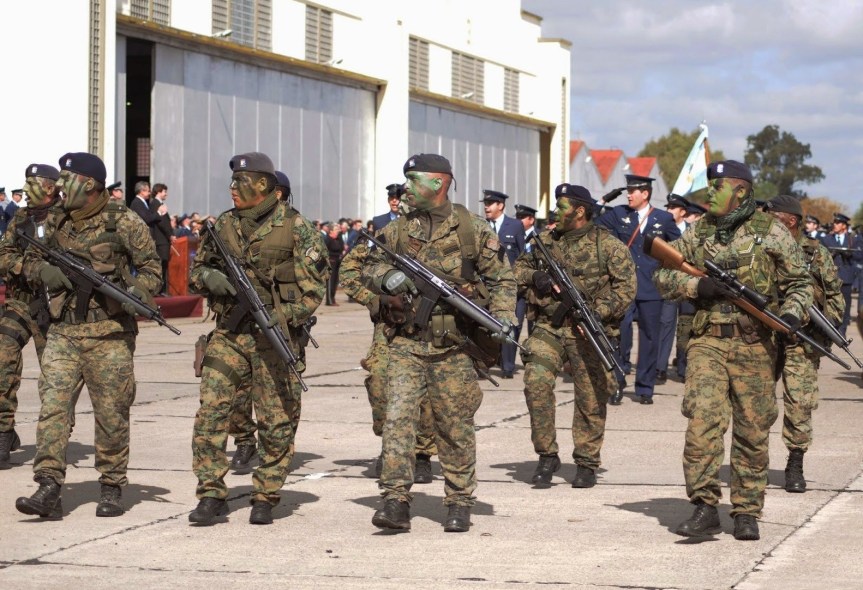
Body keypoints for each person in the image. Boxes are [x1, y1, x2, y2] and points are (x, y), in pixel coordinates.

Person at [654, 160, 812, 541]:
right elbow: (662, 273)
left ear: (740, 190)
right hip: (708, 341)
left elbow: (800, 283)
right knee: (702, 423)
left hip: (755, 344)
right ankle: (705, 505)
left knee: (752, 429)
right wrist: (697, 288)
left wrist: (791, 313)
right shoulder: (699, 231)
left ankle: (746, 510)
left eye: (718, 186)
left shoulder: (771, 231)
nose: (710, 193)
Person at [363, 153, 516, 532]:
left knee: (454, 424)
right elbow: (368, 266)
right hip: (406, 344)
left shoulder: (473, 229)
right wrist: (386, 280)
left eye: (414, 180)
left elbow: (502, 280)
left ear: (438, 182)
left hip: (453, 345)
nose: (407, 188)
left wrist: (505, 317)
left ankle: (459, 500)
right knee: (398, 420)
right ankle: (395, 499)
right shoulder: (397, 230)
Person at [14, 152, 162, 520]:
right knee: (53, 408)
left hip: (109, 334)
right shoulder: (51, 219)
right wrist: (42, 272)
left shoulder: (124, 221)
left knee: (111, 413)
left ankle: (111, 484)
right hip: (63, 330)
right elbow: (22, 254)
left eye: (68, 179)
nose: (60, 185)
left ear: (91, 186)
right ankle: (48, 485)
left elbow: (151, 271)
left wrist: (133, 295)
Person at [188, 152, 327, 526]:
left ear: (263, 185)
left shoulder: (297, 228)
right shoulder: (223, 225)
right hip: (230, 334)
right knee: (211, 412)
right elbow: (198, 271)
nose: (232, 188)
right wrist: (212, 280)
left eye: (240, 182)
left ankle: (266, 492)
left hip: (274, 336)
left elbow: (314, 290)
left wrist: (278, 317)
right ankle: (211, 493)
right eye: (232, 182)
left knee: (276, 420)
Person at [515, 183, 635, 488]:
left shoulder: (608, 246)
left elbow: (626, 288)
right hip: (550, 327)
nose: (556, 210)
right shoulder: (545, 241)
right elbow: (515, 272)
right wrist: (535, 277)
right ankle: (547, 454)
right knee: (536, 381)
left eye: (562, 205)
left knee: (591, 395)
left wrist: (600, 311)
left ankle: (586, 460)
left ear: (579, 211)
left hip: (588, 329)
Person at [0, 164, 84, 469]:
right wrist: (28, 268)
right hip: (22, 304)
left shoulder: (68, 219)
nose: (24, 189)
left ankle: (55, 437)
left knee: (56, 379)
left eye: (30, 184)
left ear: (50, 188)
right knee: (2, 356)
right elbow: (4, 255)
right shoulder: (20, 218)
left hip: (56, 310)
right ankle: (3, 432)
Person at [340, 237, 438, 483]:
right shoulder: (386, 234)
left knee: (426, 391)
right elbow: (349, 272)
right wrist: (377, 300)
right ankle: (390, 446)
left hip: (430, 326)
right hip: (390, 327)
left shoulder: (442, 230)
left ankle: (422, 453)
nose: (398, 201)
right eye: (394, 197)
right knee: (379, 382)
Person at [765, 195, 843, 493]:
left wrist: (823, 324)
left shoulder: (815, 253)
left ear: (791, 221)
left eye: (773, 217)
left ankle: (795, 463)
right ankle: (752, 463)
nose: (767, 221)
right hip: (766, 335)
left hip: (803, 340)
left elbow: (835, 296)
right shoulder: (762, 248)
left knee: (799, 403)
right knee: (756, 402)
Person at [226, 168, 297, 473]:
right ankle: (244, 441)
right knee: (236, 392)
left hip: (280, 324)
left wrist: (289, 315)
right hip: (238, 325)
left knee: (281, 396)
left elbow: (311, 281)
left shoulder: (294, 226)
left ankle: (279, 446)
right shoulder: (230, 223)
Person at [597, 174, 681, 405]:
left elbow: (679, 248)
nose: (628, 194)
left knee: (650, 338)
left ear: (645, 193)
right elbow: (592, 222)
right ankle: (616, 382)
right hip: (622, 288)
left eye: (633, 191)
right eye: (627, 190)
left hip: (651, 287)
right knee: (619, 335)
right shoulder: (619, 214)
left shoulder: (663, 219)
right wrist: (604, 201)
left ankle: (645, 387)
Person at [483, 189, 526, 378]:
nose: (486, 207)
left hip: (511, 286)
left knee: (511, 324)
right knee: (486, 325)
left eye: (490, 203)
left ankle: (507, 366)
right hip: (486, 286)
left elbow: (523, 254)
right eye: (485, 203)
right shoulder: (481, 226)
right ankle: (487, 361)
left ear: (500, 205)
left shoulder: (514, 226)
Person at [655, 195, 690, 384]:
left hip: (688, 286)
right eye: (667, 207)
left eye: (673, 208)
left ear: (683, 212)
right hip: (670, 285)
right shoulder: (661, 232)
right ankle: (660, 368)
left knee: (685, 326)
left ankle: (683, 367)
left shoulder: (692, 232)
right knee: (666, 324)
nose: (669, 211)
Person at [820, 212, 861, 336]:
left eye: (837, 223)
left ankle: (842, 330)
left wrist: (850, 254)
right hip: (830, 278)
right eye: (834, 223)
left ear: (844, 225)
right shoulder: (827, 239)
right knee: (830, 305)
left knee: (846, 306)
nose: (835, 225)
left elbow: (859, 256)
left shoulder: (852, 239)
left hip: (846, 277)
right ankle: (831, 329)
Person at [149, 183, 174, 296]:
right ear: (159, 191)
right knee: (161, 265)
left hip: (164, 239)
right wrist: (170, 235)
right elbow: (161, 222)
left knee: (164, 266)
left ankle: (163, 290)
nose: (166, 194)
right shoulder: (155, 203)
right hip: (161, 240)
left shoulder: (160, 203)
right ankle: (160, 290)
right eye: (164, 191)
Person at [323, 222, 343, 305]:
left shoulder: (338, 239)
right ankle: (329, 300)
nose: (337, 231)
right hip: (331, 263)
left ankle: (333, 298)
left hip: (337, 262)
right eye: (335, 229)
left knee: (335, 282)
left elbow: (341, 248)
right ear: (331, 231)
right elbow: (323, 251)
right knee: (330, 282)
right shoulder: (327, 239)